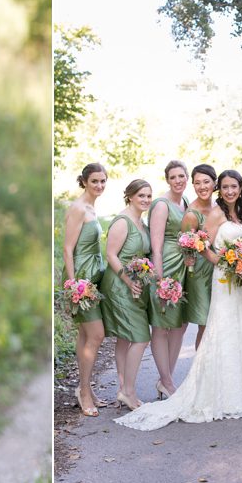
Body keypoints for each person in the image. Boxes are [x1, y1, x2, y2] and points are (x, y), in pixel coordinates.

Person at [115, 170, 242, 430]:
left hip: (241, 282)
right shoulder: (216, 213)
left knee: (241, 327)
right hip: (224, 278)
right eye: (225, 187)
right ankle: (215, 389)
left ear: (240, 189)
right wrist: (226, 263)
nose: (230, 191)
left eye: (234, 186)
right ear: (219, 190)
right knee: (221, 327)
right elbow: (204, 245)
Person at [100, 179, 153, 410]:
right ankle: (129, 392)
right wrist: (129, 281)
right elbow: (111, 255)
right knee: (141, 338)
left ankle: (123, 388)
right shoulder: (122, 222)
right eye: (141, 195)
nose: (146, 200)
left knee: (124, 338)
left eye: (149, 196)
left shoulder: (141, 222)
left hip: (135, 286)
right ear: (130, 196)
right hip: (120, 285)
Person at [63, 163, 108, 416]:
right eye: (94, 181)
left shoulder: (92, 206)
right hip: (81, 278)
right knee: (96, 335)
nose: (99, 186)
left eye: (102, 181)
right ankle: (83, 391)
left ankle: (86, 390)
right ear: (84, 181)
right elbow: (68, 248)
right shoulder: (78, 208)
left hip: (93, 275)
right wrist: (73, 284)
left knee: (85, 336)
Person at [147, 161, 189, 399]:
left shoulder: (184, 202)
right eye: (173, 177)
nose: (178, 181)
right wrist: (160, 279)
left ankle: (167, 379)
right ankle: (165, 379)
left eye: (182, 176)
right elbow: (157, 246)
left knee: (180, 325)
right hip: (167, 269)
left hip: (184, 270)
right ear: (167, 180)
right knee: (162, 326)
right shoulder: (161, 205)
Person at [180, 163, 217, 349]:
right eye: (197, 183)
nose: (202, 187)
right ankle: (201, 371)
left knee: (219, 323)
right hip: (200, 273)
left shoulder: (220, 207)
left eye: (206, 182)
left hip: (219, 271)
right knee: (206, 324)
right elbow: (185, 246)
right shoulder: (191, 215)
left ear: (215, 183)